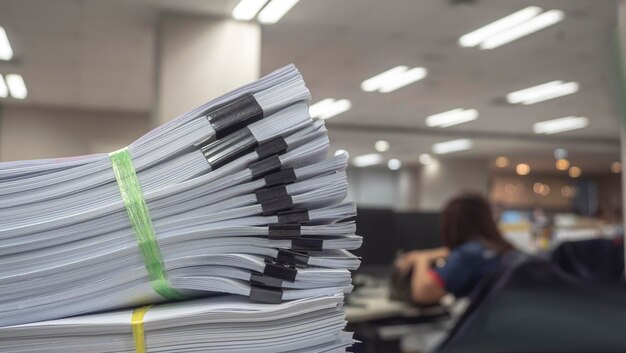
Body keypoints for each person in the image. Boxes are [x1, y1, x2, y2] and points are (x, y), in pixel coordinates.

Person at [395, 193, 514, 305]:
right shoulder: (505, 249)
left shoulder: (468, 255)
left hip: (481, 325)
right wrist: (431, 254)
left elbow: (423, 293)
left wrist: (421, 258)